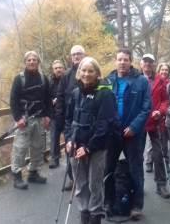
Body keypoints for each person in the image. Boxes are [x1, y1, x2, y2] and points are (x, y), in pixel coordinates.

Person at [65, 57, 117, 224]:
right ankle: (84, 214)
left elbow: (104, 125)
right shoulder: (75, 93)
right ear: (79, 73)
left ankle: (95, 217)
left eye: (90, 71)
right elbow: (68, 120)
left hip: (96, 147)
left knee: (95, 185)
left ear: (97, 74)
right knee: (80, 184)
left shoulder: (105, 94)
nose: (86, 74)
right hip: (75, 145)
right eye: (83, 70)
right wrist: (68, 140)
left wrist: (88, 147)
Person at [104, 48, 151, 220]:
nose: (122, 62)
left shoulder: (142, 82)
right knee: (108, 168)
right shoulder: (107, 80)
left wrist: (134, 127)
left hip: (133, 133)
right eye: (119, 59)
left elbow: (146, 108)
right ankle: (107, 202)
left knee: (135, 169)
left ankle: (136, 206)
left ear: (131, 61)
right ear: (115, 61)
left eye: (125, 59)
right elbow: (102, 107)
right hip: (113, 133)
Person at [10, 51, 51, 190]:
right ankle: (17, 175)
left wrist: (47, 116)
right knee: (20, 148)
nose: (32, 62)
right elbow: (13, 100)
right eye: (29, 60)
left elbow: (48, 99)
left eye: (34, 59)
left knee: (37, 148)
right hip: (24, 120)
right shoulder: (19, 79)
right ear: (25, 62)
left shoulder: (43, 79)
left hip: (39, 119)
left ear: (38, 62)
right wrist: (18, 118)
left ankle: (33, 173)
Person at [55, 45, 86, 190]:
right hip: (70, 119)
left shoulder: (90, 71)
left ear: (84, 55)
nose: (76, 57)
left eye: (79, 54)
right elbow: (60, 98)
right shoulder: (66, 76)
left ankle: (86, 179)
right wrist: (60, 119)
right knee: (70, 148)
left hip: (86, 119)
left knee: (86, 148)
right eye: (73, 54)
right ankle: (72, 178)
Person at [141, 54, 170, 199]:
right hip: (138, 123)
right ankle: (138, 185)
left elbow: (165, 100)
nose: (147, 64)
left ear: (154, 64)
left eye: (150, 62)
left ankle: (161, 185)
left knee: (158, 154)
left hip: (155, 122)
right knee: (136, 156)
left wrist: (161, 110)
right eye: (145, 61)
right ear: (141, 63)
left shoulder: (160, 80)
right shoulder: (135, 77)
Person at [48, 60, 66, 169]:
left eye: (60, 67)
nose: (58, 69)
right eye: (56, 68)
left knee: (68, 137)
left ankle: (71, 158)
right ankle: (54, 159)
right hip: (54, 114)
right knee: (54, 137)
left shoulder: (68, 80)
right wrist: (51, 101)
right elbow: (45, 97)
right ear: (53, 70)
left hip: (66, 113)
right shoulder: (49, 82)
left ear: (63, 68)